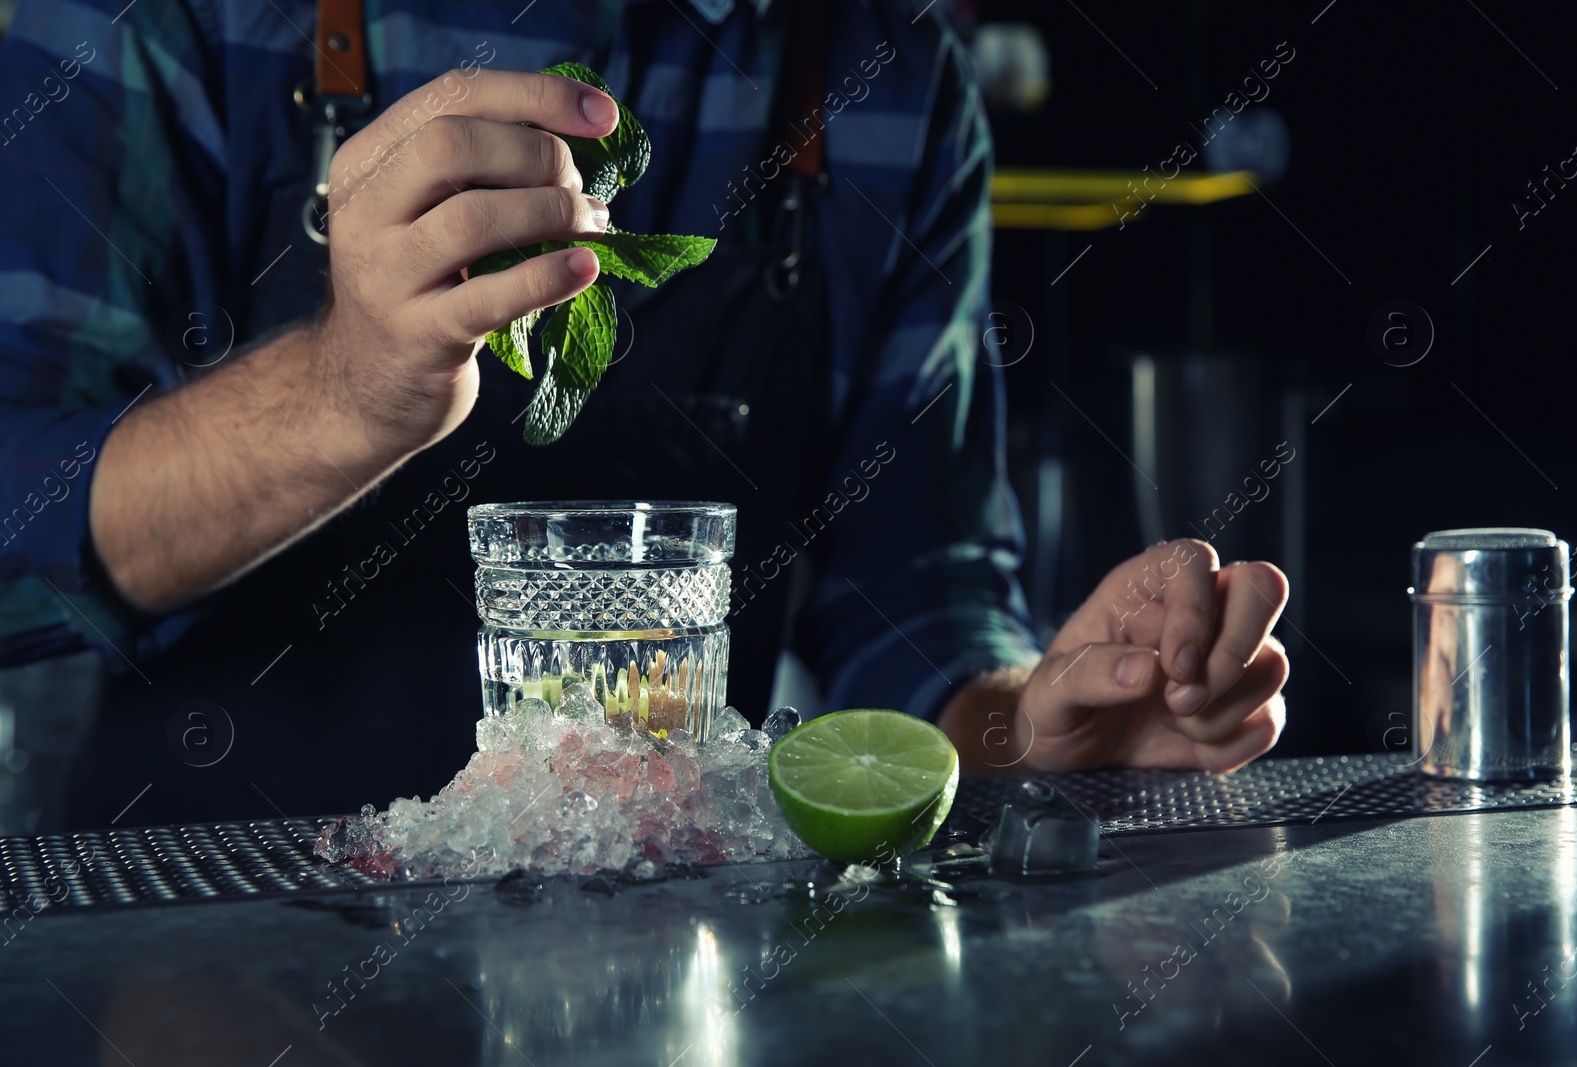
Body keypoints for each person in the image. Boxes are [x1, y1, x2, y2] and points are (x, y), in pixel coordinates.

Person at [0, 0, 1289, 831]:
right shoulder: (163, 21)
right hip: (206, 952)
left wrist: (1038, 727)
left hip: (662, 985)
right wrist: (344, 392)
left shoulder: (881, 73)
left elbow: (918, 600)